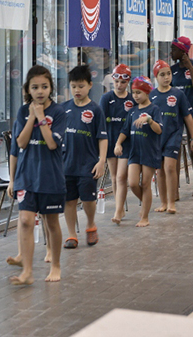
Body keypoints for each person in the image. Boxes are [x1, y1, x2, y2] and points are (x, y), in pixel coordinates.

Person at [7, 66, 67, 285]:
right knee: (25, 221)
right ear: (28, 90)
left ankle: (56, 265)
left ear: (51, 88)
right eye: (35, 87)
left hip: (50, 176)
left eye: (44, 86)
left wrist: (41, 117)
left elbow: (52, 143)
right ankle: (28, 272)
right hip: (27, 176)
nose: (40, 91)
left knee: (51, 223)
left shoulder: (58, 112)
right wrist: (31, 117)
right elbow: (20, 143)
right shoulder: (23, 111)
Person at [61, 65, 107, 249]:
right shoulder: (63, 109)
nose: (77, 90)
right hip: (66, 165)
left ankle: (90, 225)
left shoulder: (96, 110)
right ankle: (71, 235)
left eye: (81, 86)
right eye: (73, 86)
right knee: (69, 201)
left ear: (89, 85)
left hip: (88, 164)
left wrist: (102, 161)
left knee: (88, 200)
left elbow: (102, 137)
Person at [115, 76, 163, 227]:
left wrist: (149, 120)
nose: (135, 96)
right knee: (133, 183)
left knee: (146, 183)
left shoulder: (154, 110)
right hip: (134, 152)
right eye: (134, 92)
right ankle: (146, 203)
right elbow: (125, 131)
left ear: (147, 92)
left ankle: (145, 217)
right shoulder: (133, 111)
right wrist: (118, 143)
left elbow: (159, 130)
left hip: (149, 151)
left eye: (138, 92)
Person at [150, 60, 193, 212]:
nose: (166, 77)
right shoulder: (152, 96)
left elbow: (188, 116)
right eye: (162, 75)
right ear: (156, 77)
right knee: (160, 171)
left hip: (173, 135)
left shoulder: (178, 94)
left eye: (169, 74)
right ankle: (163, 203)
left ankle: (171, 202)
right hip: (157, 138)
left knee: (170, 167)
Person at [169, 36, 193, 196]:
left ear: (183, 51)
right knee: (175, 149)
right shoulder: (172, 70)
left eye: (174, 49)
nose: (171, 52)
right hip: (176, 113)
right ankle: (174, 187)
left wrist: (190, 66)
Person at [100, 64, 133, 225]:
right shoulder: (106, 98)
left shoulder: (131, 100)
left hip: (126, 142)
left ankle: (119, 209)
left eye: (123, 82)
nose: (119, 85)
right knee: (114, 177)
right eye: (117, 82)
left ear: (128, 82)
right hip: (110, 140)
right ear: (112, 81)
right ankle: (119, 207)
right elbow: (101, 122)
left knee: (121, 176)